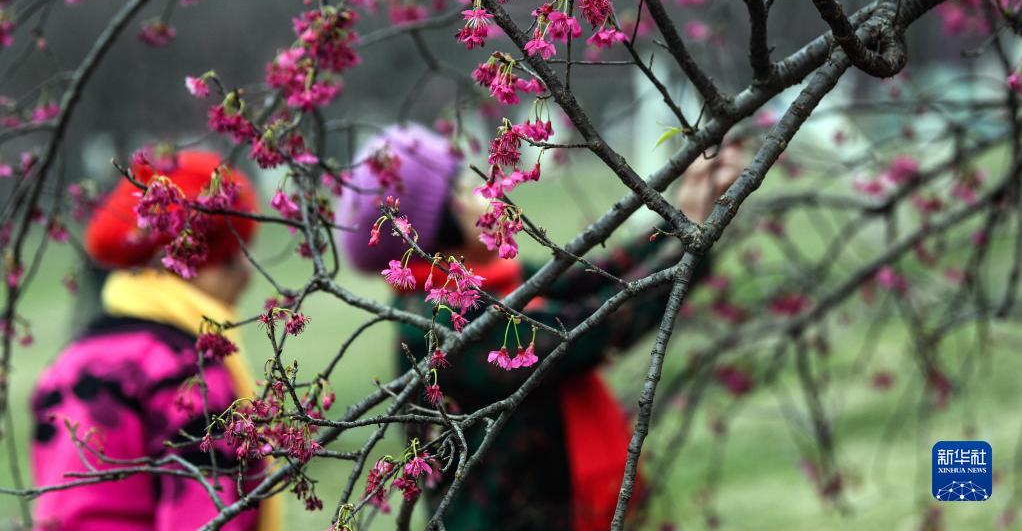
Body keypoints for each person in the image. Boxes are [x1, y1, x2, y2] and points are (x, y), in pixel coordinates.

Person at [337, 123, 742, 531]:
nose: (484, 196)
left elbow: (589, 282)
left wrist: (681, 222)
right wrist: (693, 257)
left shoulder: (488, 283)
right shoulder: (441, 324)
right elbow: (583, 333)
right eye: (462, 191)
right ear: (435, 231)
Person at [30, 150, 281, 531]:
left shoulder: (68, 363)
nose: (247, 274)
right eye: (237, 255)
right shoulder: (186, 372)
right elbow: (205, 518)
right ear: (198, 266)